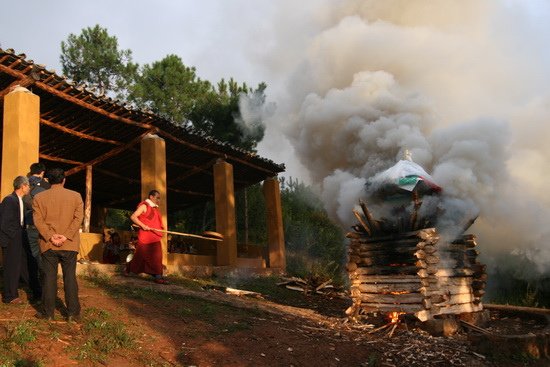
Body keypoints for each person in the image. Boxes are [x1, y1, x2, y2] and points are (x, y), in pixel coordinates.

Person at [32, 168, 84, 321]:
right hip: (69, 244)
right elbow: (78, 219)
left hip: (48, 244)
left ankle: (48, 313)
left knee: (49, 278)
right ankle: (73, 313)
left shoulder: (39, 197)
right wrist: (66, 236)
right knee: (70, 277)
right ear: (64, 180)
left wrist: (50, 236)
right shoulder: (76, 196)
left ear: (48, 180)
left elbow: (38, 221)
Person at [0, 176, 41, 304]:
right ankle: (9, 296)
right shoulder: (9, 200)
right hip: (12, 238)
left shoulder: (21, 200)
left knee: (27, 263)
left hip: (21, 236)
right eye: (28, 186)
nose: (29, 188)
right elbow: (5, 223)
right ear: (22, 186)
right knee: (11, 267)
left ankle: (37, 291)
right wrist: (10, 239)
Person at [126, 190, 168, 284]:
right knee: (140, 257)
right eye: (157, 198)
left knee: (157, 256)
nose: (158, 200)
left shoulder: (155, 209)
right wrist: (143, 225)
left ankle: (158, 276)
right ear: (151, 197)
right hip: (145, 237)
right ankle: (129, 268)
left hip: (154, 236)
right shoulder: (144, 206)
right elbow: (133, 217)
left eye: (159, 198)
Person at [23, 162, 51, 267]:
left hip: (27, 223)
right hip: (43, 225)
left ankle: (30, 279)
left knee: (28, 254)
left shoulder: (23, 185)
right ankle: (41, 279)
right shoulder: (48, 186)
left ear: (31, 172)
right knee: (43, 254)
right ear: (42, 172)